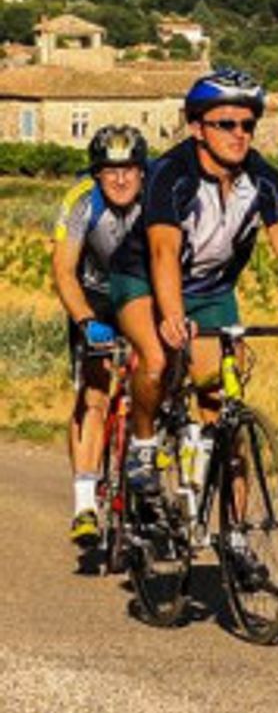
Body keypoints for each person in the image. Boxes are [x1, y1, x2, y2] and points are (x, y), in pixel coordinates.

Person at [110, 69, 278, 563]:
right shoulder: (172, 174)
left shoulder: (265, 180)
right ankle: (143, 446)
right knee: (155, 361)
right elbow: (163, 252)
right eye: (226, 124)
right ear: (197, 127)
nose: (239, 134)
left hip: (210, 291)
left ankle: (234, 536)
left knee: (224, 406)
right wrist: (171, 316)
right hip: (142, 280)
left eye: (248, 125)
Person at [50, 126, 148, 543]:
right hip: (94, 297)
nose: (121, 179)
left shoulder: (158, 197)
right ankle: (85, 503)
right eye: (110, 171)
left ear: (142, 172)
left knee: (156, 380)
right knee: (94, 392)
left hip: (141, 295)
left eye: (129, 170)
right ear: (96, 174)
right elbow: (63, 271)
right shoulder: (81, 201)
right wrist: (86, 321)